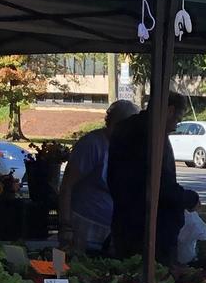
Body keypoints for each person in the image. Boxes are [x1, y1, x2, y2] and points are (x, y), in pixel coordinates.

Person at [106, 94, 198, 263]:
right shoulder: (151, 134)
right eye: (177, 119)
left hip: (125, 222)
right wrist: (190, 198)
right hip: (152, 230)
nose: (175, 126)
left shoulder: (126, 130)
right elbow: (161, 186)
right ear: (169, 111)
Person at [58, 99, 134, 252]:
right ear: (115, 123)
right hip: (85, 225)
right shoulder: (92, 144)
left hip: (110, 228)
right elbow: (67, 186)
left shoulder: (124, 147)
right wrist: (66, 225)